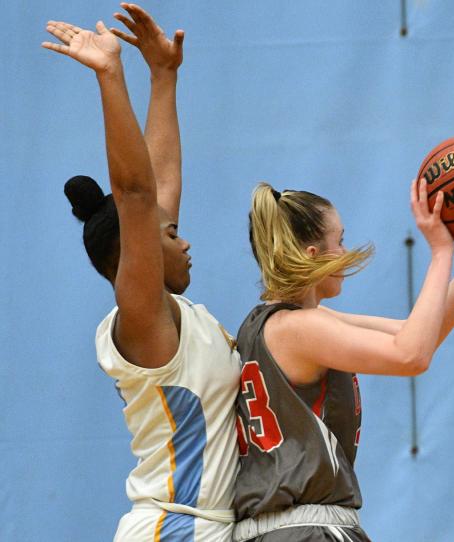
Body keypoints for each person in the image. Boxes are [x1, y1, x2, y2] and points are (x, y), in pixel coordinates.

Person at [233, 180, 454, 541]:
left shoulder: (271, 323)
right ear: (313, 254)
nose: (345, 250)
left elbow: (417, 333)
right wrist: (441, 252)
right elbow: (412, 355)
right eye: (339, 240)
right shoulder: (302, 328)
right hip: (306, 530)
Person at [44, 5, 240, 540]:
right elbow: (136, 194)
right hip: (174, 528)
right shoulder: (142, 319)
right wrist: (111, 75)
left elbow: (156, 189)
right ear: (132, 256)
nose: (185, 237)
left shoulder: (176, 315)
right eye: (171, 235)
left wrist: (164, 76)